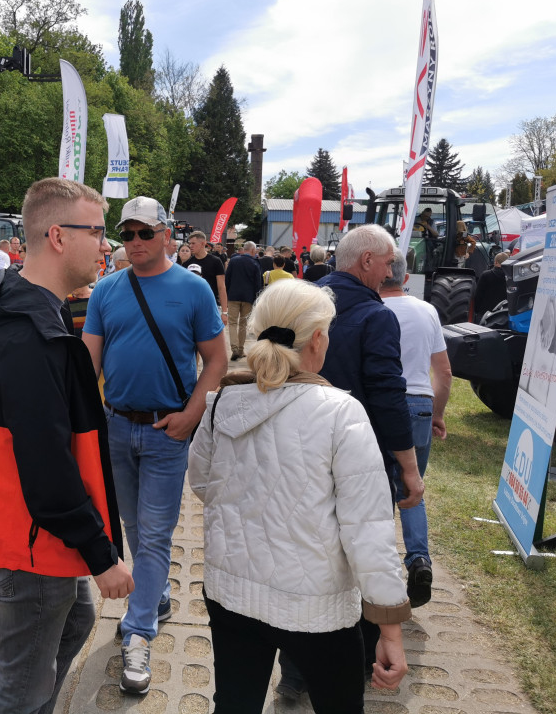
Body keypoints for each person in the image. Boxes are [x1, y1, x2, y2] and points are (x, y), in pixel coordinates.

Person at [0, 177, 133, 714]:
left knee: (75, 618)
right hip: (28, 537)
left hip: (31, 531)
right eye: (97, 232)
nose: (106, 245)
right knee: (22, 684)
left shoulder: (31, 308)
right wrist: (102, 556)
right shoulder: (28, 336)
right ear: (57, 235)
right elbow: (46, 465)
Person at [190, 279, 411, 713]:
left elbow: (201, 483)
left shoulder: (222, 403)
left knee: (233, 705)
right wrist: (390, 630)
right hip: (315, 609)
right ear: (319, 339)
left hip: (231, 592)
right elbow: (367, 529)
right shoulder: (340, 412)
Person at [83, 196, 227, 696]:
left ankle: (138, 630)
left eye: (146, 232)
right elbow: (88, 365)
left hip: (169, 431)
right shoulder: (106, 289)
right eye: (127, 234)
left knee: (156, 532)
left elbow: (216, 359)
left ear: (168, 233)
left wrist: (192, 414)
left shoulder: (193, 289)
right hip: (116, 427)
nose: (136, 242)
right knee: (131, 525)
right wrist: (84, 422)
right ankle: (156, 590)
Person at [315, 224, 423, 678]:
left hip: (305, 449)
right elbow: (387, 395)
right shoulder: (376, 316)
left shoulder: (308, 298)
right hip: (360, 457)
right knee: (362, 554)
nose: (391, 269)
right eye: (387, 260)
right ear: (365, 262)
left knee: (316, 550)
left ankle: (301, 669)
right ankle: (358, 658)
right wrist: (410, 468)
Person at [379, 250, 452, 608]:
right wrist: (436, 414)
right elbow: (445, 373)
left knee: (375, 487)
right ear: (406, 278)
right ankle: (419, 559)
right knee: (413, 487)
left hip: (382, 403)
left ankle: (376, 567)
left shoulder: (371, 309)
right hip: (421, 404)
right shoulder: (428, 311)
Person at [224, 241, 262, 361]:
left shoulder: (234, 261)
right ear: (252, 250)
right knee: (243, 324)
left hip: (233, 296)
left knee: (233, 323)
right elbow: (258, 283)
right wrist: (256, 299)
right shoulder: (255, 263)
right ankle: (240, 350)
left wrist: (227, 294)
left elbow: (227, 279)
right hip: (248, 298)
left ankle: (234, 349)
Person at [184, 231, 228, 326]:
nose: (190, 246)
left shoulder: (215, 261)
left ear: (203, 243)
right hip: (191, 307)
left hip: (211, 305)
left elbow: (221, 287)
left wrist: (224, 312)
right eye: (189, 243)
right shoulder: (187, 264)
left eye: (193, 243)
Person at [474, 251, 509, 318]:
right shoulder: (511, 277)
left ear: (495, 262)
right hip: (504, 314)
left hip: (485, 314)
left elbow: (478, 295)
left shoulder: (486, 275)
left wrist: (477, 311)